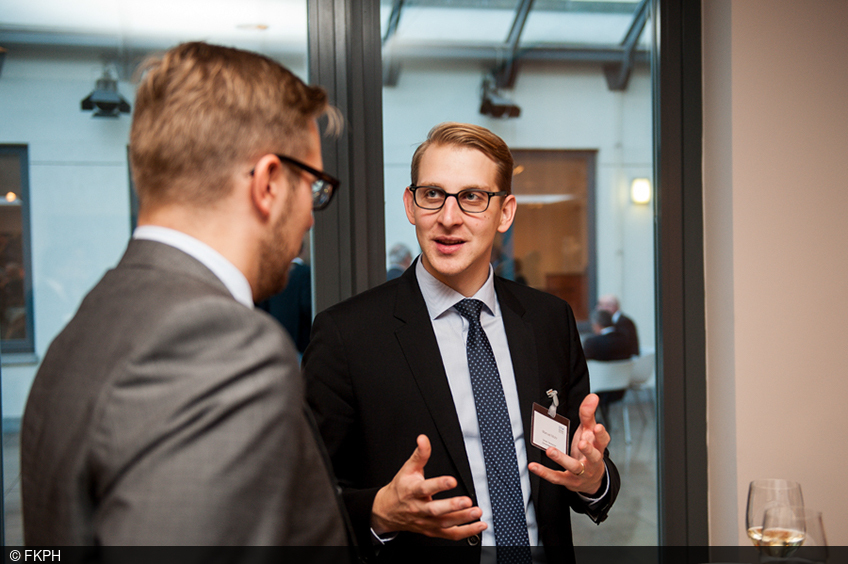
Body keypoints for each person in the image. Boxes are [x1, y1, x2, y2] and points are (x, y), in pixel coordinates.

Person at [21, 42, 350, 551]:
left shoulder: (90, 320)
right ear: (268, 183)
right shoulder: (219, 346)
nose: (310, 217)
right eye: (313, 187)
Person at [304, 122, 619, 563]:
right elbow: (305, 501)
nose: (448, 218)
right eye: (432, 194)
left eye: (472, 197)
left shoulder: (549, 321)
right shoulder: (347, 335)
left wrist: (593, 479)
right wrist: (381, 512)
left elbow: (582, 467)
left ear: (505, 212)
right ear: (410, 205)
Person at [258, 242, 312, 353]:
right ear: (303, 251)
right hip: (300, 340)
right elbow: (307, 305)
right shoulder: (305, 273)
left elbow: (262, 306)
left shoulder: (272, 274)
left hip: (274, 339)